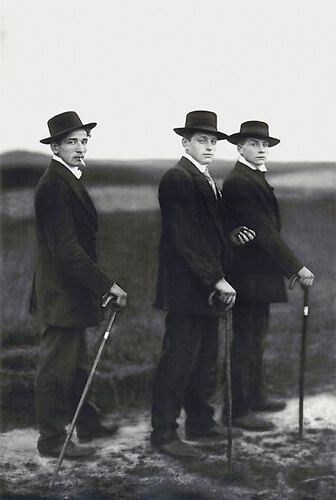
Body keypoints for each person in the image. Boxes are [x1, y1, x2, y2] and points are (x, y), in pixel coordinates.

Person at [151, 110, 255, 460]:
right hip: (186, 288)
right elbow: (186, 237)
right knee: (178, 360)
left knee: (206, 358)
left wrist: (230, 236)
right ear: (185, 142)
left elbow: (208, 230)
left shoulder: (206, 178)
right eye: (201, 140)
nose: (209, 146)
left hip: (206, 287)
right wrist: (216, 278)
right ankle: (164, 433)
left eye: (213, 141)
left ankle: (200, 422)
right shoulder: (177, 178)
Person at [30, 111, 127, 458]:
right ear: (55, 146)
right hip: (61, 292)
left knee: (76, 362)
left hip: (70, 291)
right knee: (57, 367)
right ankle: (53, 440)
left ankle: (86, 423)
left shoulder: (67, 178)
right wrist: (106, 285)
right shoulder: (55, 184)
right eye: (72, 142)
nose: (80, 148)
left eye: (84, 141)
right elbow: (67, 250)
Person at [222, 120, 314, 431]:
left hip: (258, 274)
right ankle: (237, 410)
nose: (261, 149)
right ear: (240, 148)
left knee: (256, 338)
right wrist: (295, 267)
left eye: (264, 145)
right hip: (247, 275)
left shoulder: (252, 177)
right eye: (254, 144)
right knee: (246, 341)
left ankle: (256, 397)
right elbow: (264, 232)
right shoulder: (240, 181)